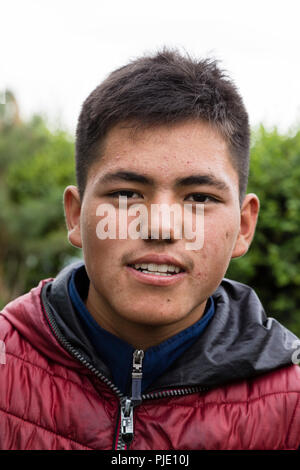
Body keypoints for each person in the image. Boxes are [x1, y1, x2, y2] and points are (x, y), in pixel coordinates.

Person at [0, 48, 299, 451]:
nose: (160, 226)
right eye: (126, 194)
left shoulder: (292, 403)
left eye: (200, 198)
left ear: (244, 227)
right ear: (75, 215)